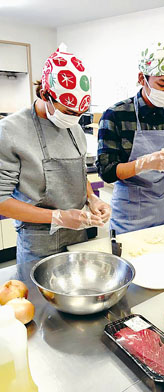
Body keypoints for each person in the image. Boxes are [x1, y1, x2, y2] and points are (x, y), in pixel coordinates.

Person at [0, 44, 111, 264]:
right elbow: (1, 200)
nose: (74, 119)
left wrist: (92, 199)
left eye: (80, 113)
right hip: (38, 241)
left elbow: (78, 175)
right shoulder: (10, 130)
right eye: (69, 111)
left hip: (77, 236)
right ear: (44, 94)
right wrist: (57, 217)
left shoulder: (75, 128)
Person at [97, 42, 164, 234]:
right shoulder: (116, 114)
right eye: (162, 84)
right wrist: (143, 163)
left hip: (161, 211)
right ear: (142, 78)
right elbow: (106, 172)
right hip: (128, 214)